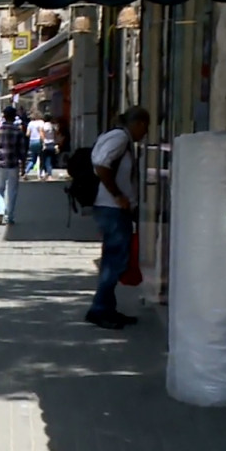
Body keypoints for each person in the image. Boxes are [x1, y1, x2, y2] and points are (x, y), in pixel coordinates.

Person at [86, 106, 150, 330]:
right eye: (146, 127)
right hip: (112, 207)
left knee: (112, 260)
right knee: (114, 262)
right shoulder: (120, 138)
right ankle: (100, 310)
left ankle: (108, 308)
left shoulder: (114, 135)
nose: (145, 133)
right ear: (139, 123)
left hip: (111, 207)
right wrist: (118, 195)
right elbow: (101, 166)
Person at [0, 106, 26, 225]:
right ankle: (10, 216)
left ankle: (0, 210)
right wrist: (23, 167)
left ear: (4, 116)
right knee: (12, 191)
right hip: (13, 164)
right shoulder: (18, 131)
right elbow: (22, 151)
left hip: (0, 164)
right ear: (14, 116)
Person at [25, 111, 45, 178]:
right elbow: (41, 133)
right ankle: (41, 173)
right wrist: (44, 142)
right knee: (42, 158)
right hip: (38, 141)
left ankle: (26, 172)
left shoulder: (30, 123)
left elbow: (27, 134)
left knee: (33, 160)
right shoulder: (41, 122)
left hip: (32, 142)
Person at [39, 114, 58, 180]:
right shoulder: (53, 126)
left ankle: (43, 173)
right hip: (52, 144)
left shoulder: (43, 126)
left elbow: (41, 135)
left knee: (43, 160)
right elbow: (55, 135)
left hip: (46, 144)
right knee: (49, 160)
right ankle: (49, 174)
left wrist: (43, 142)